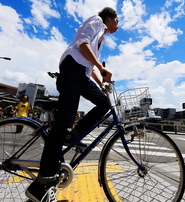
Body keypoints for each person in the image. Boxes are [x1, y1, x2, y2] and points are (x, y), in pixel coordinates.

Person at [25, 7, 118, 202]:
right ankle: (41, 184)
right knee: (62, 124)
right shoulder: (96, 21)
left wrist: (101, 83)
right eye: (117, 20)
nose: (118, 25)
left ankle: (74, 134)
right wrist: (102, 68)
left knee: (104, 104)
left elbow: (89, 64)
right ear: (110, 18)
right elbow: (82, 44)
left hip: (80, 74)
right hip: (71, 71)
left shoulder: (101, 37)